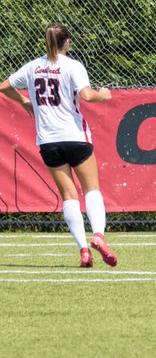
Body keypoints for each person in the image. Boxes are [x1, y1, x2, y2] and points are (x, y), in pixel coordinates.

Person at [0, 24, 117, 268]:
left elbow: (4, 86)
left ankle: (84, 249)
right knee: (92, 189)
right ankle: (98, 235)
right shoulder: (73, 66)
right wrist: (104, 94)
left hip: (48, 140)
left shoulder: (33, 66)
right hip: (75, 136)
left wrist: (23, 101)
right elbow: (87, 96)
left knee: (68, 195)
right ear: (68, 42)